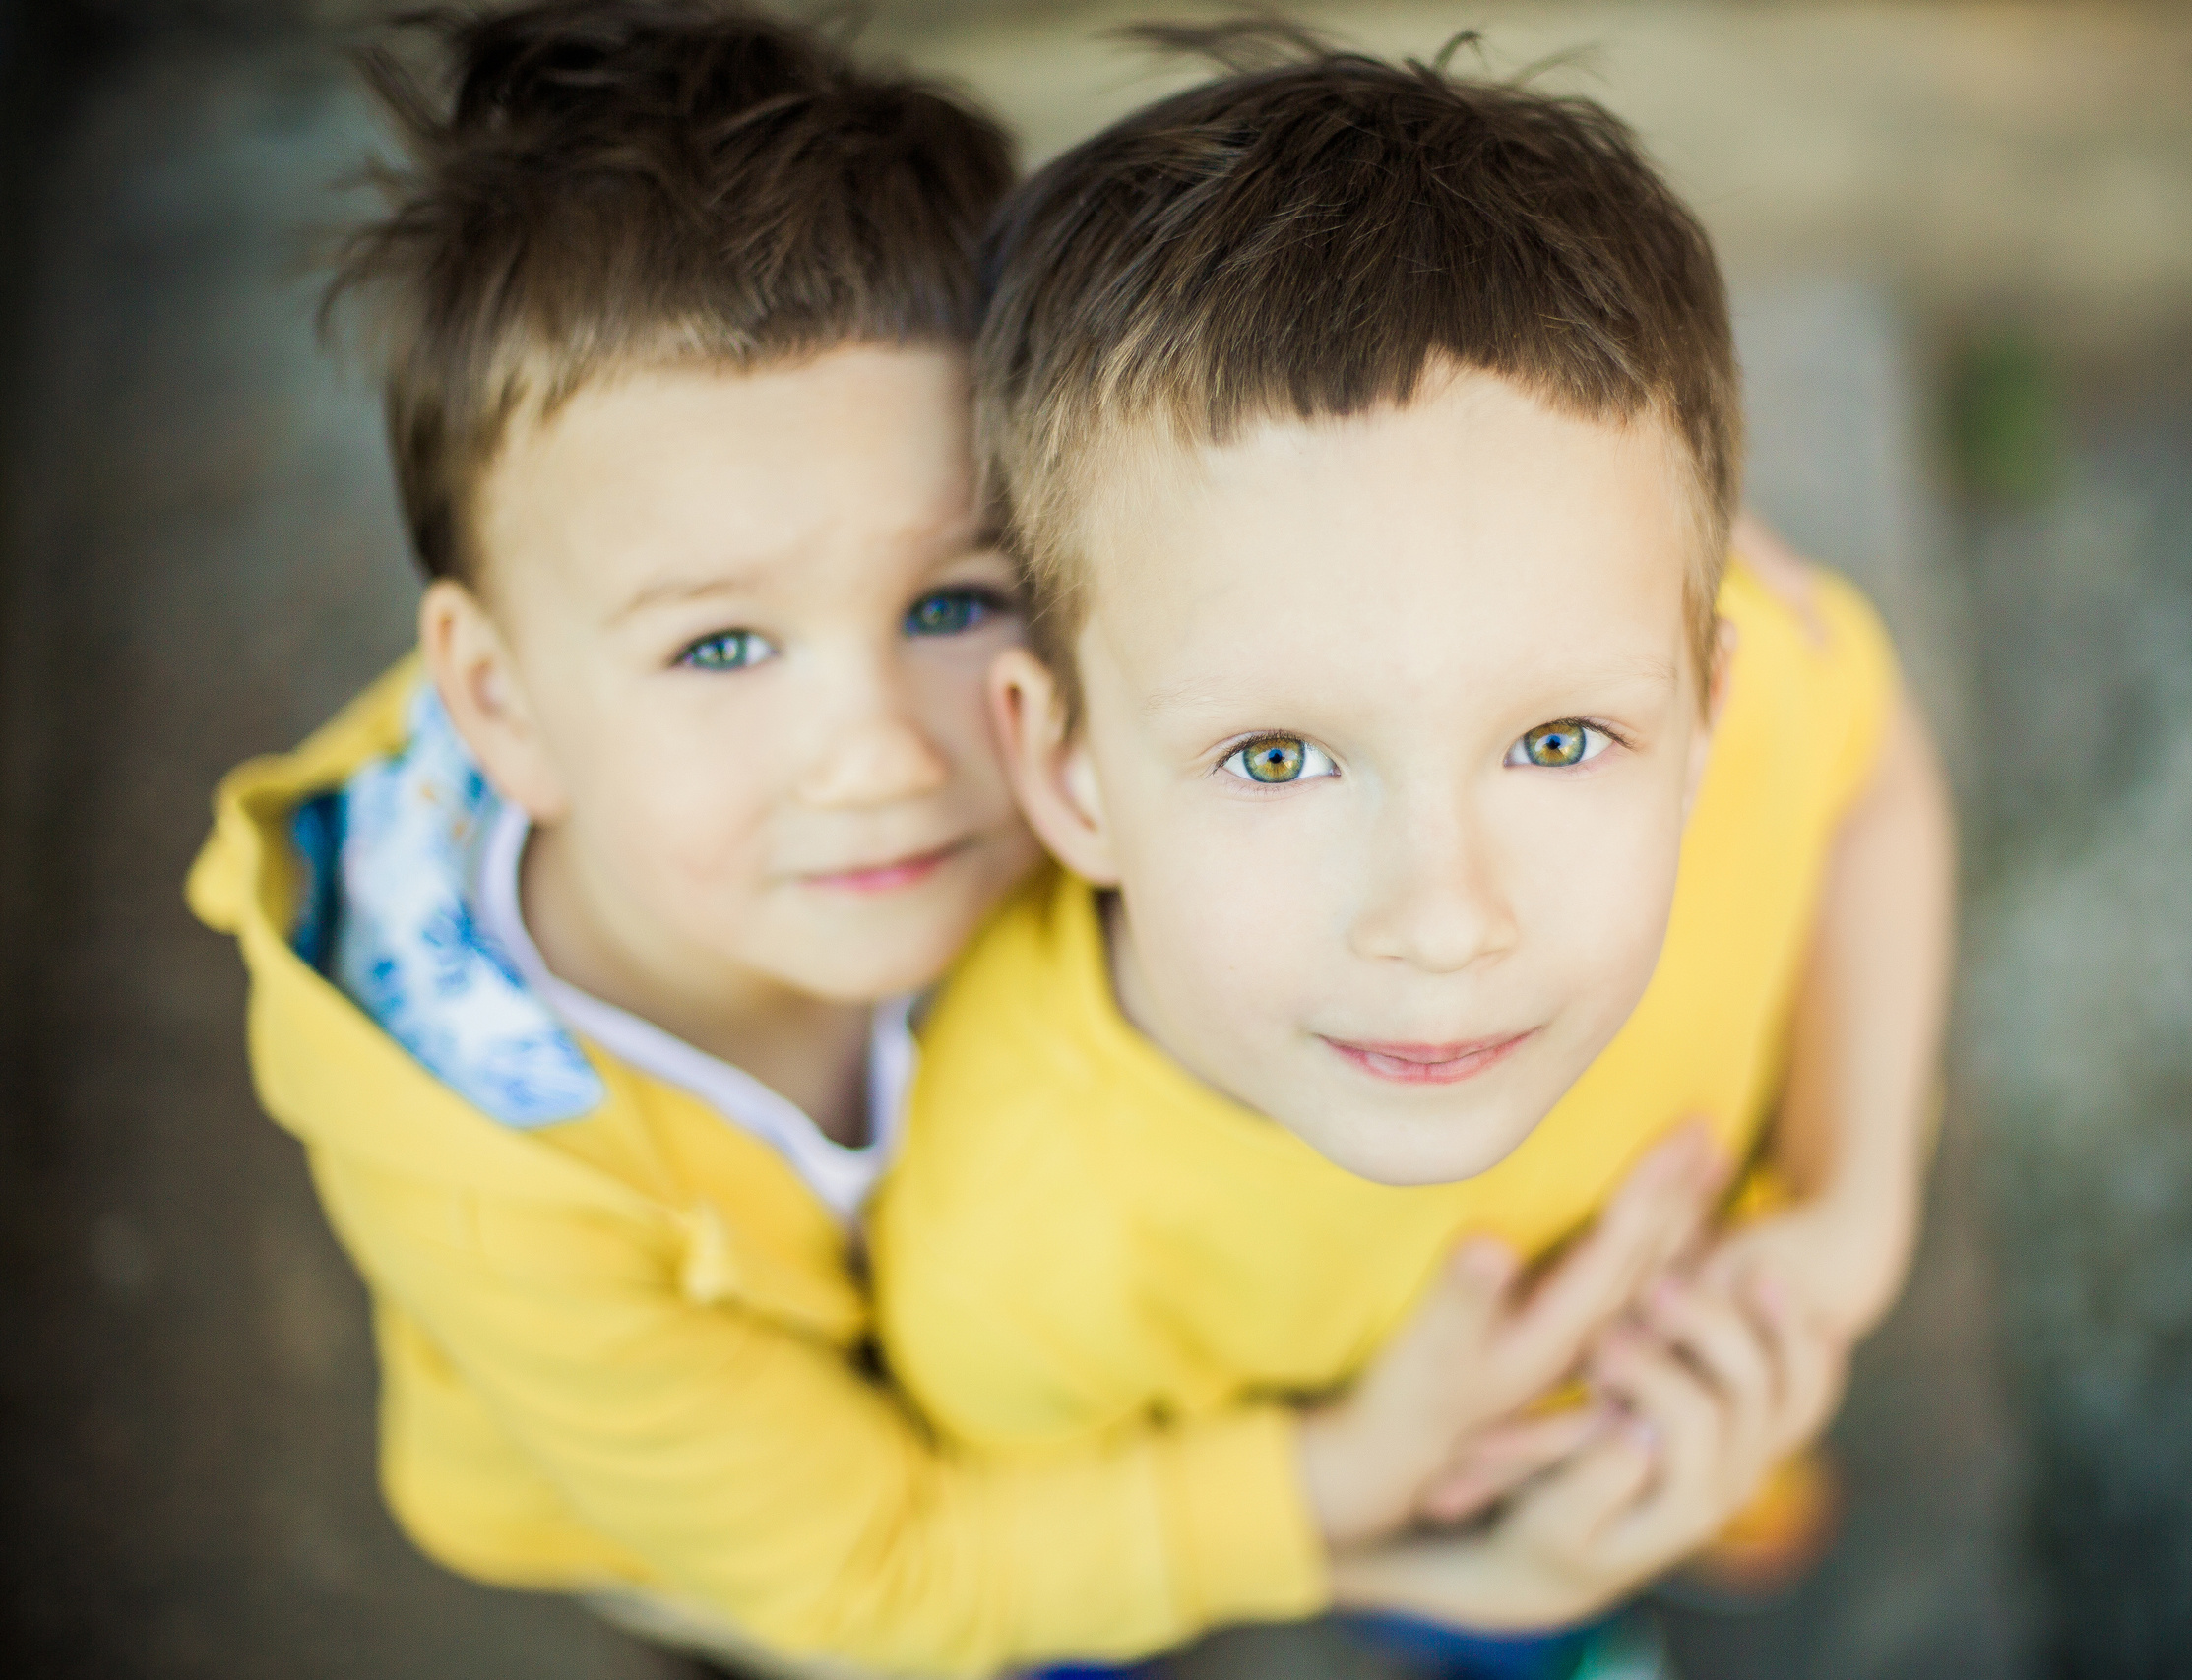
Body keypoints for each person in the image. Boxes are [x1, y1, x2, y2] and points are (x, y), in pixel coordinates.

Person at [184, 5, 1733, 1674]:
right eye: (720, 646)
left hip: (1072, 1362)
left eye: (951, 600)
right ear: (500, 705)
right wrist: (1367, 1516)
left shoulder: (1079, 767)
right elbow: (885, 1572)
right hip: (766, 1533)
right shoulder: (500, 1191)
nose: (873, 756)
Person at [867, 24, 1956, 1666]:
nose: (1444, 922)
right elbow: (1080, 1536)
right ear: (1067, 766)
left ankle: (1703, 1516)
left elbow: (1868, 774)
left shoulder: (1763, 711)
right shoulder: (1011, 1247)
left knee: (1726, 1489)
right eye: (1279, 756)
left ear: (1706, 706)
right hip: (1376, 1526)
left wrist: (1855, 1208)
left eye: (1558, 741)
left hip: (1681, 1361)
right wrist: (1453, 1572)